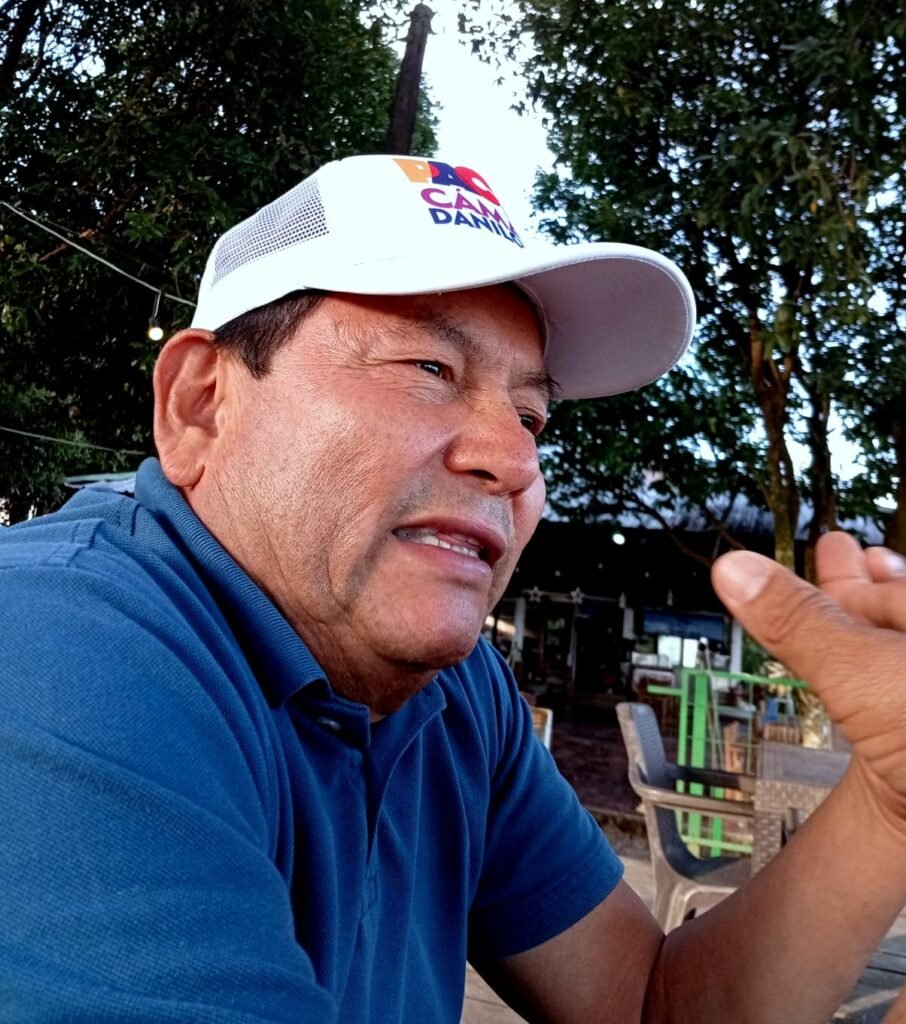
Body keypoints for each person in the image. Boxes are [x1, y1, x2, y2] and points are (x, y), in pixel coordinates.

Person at [1, 153, 906, 1023]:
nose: (515, 460)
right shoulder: (53, 651)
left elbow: (645, 1003)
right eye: (428, 370)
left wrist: (886, 801)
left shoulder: (457, 698)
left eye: (531, 415)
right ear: (202, 403)